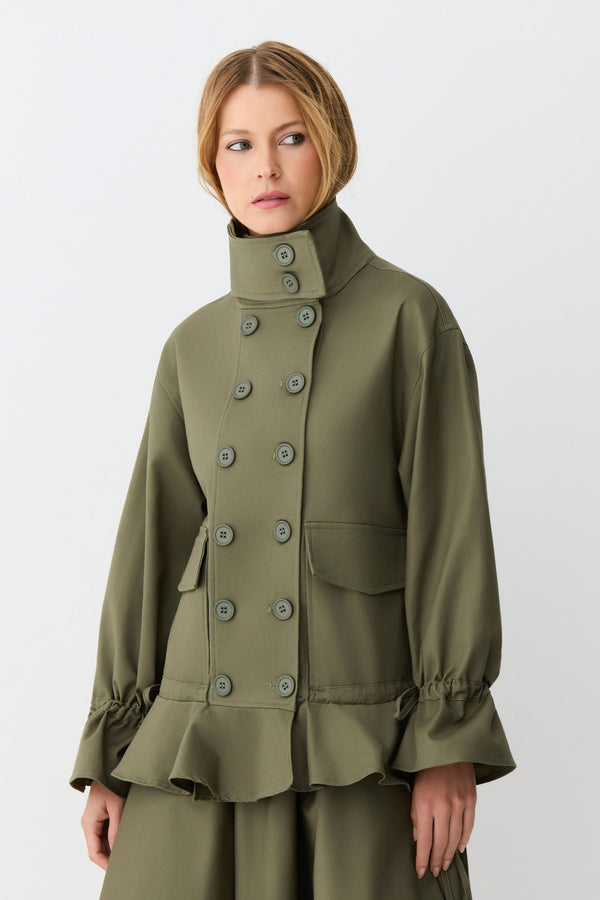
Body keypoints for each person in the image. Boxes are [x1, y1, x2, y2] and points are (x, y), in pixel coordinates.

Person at [69, 40, 516, 899]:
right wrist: (113, 755)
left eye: (291, 137)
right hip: (194, 749)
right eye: (239, 144)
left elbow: (450, 536)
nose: (265, 167)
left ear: (331, 145)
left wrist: (447, 742)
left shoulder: (409, 319)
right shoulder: (193, 346)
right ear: (214, 166)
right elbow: (148, 557)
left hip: (358, 743)